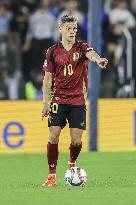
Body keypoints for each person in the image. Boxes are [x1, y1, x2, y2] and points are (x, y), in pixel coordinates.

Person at [41, 15, 108, 187]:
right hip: (58, 98)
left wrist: (98, 59)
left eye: (74, 29)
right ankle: (51, 175)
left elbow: (91, 54)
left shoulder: (82, 47)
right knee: (53, 136)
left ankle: (72, 163)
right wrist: (45, 102)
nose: (72, 32)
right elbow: (48, 79)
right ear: (60, 29)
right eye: (69, 28)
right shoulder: (52, 51)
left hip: (77, 99)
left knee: (77, 141)